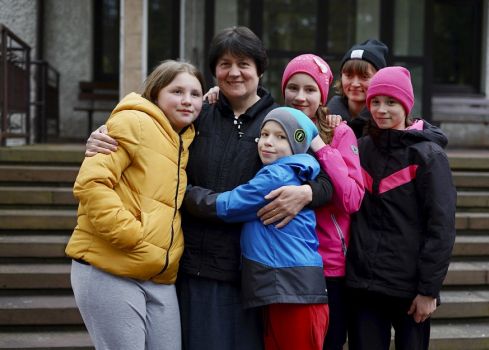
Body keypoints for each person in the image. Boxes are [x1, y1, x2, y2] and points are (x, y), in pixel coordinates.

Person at [82, 26, 333, 350]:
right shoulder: (198, 113)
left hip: (248, 271)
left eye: (244, 63)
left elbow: (325, 177)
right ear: (214, 71)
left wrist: (307, 193)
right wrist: (102, 135)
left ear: (259, 69)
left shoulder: (280, 119)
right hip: (189, 264)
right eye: (225, 64)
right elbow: (146, 129)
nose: (234, 72)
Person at [65, 60, 205, 350]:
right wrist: (129, 234)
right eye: (177, 91)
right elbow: (91, 182)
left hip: (158, 275)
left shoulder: (183, 140)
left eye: (195, 94)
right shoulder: (134, 122)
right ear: (155, 93)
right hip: (110, 266)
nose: (187, 100)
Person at [188, 106, 329, 350]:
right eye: (264, 134)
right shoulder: (291, 172)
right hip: (288, 289)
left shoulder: (276, 176)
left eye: (280, 136)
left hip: (292, 291)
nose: (268, 142)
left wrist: (184, 191)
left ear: (297, 145)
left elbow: (227, 206)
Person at [345, 66, 456, 350]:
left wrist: (428, 291)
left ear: (406, 105)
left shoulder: (429, 155)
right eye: (376, 102)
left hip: (409, 291)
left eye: (391, 102)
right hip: (364, 288)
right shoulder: (361, 148)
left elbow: (441, 227)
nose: (382, 110)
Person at [280, 54, 364, 350]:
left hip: (329, 267)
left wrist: (321, 146)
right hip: (282, 262)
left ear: (323, 93)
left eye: (310, 89)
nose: (300, 97)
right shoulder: (274, 125)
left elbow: (352, 199)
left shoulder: (338, 132)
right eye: (293, 87)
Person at [327, 39, 388, 138]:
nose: (355, 84)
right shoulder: (326, 119)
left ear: (380, 79)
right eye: (349, 75)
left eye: (364, 76)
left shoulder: (387, 122)